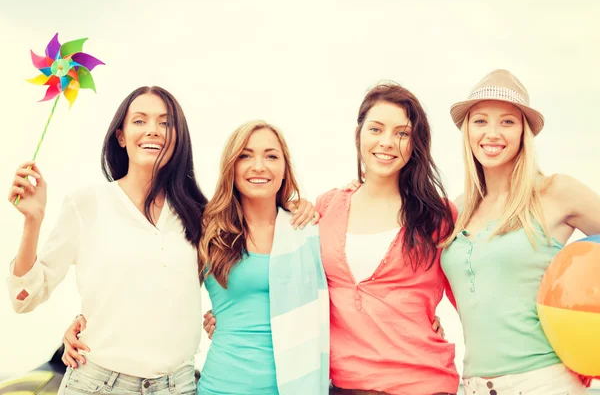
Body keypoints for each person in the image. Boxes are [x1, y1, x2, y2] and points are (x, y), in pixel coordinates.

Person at [206, 82, 458, 395]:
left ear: (416, 142)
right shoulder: (326, 208)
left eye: (402, 133)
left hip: (422, 382)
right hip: (343, 386)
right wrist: (227, 314)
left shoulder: (440, 216)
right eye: (376, 129)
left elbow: (471, 296)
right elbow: (291, 282)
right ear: (359, 135)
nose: (388, 142)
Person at [8, 86, 207, 395]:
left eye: (165, 123)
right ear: (121, 136)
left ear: (178, 138)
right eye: (140, 121)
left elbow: (236, 285)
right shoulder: (87, 203)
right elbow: (25, 297)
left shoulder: (199, 213)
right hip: (98, 385)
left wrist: (297, 210)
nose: (153, 130)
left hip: (178, 386)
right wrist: (32, 222)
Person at [440, 69, 600, 394]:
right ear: (467, 129)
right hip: (471, 385)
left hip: (545, 381)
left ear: (524, 131)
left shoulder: (557, 192)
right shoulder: (457, 211)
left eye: (508, 122)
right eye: (481, 121)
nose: (493, 133)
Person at [195, 120, 329, 394]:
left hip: (297, 385)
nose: (259, 166)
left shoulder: (307, 230)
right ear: (231, 167)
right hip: (222, 385)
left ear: (284, 169)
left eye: (271, 155)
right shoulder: (207, 232)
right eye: (245, 155)